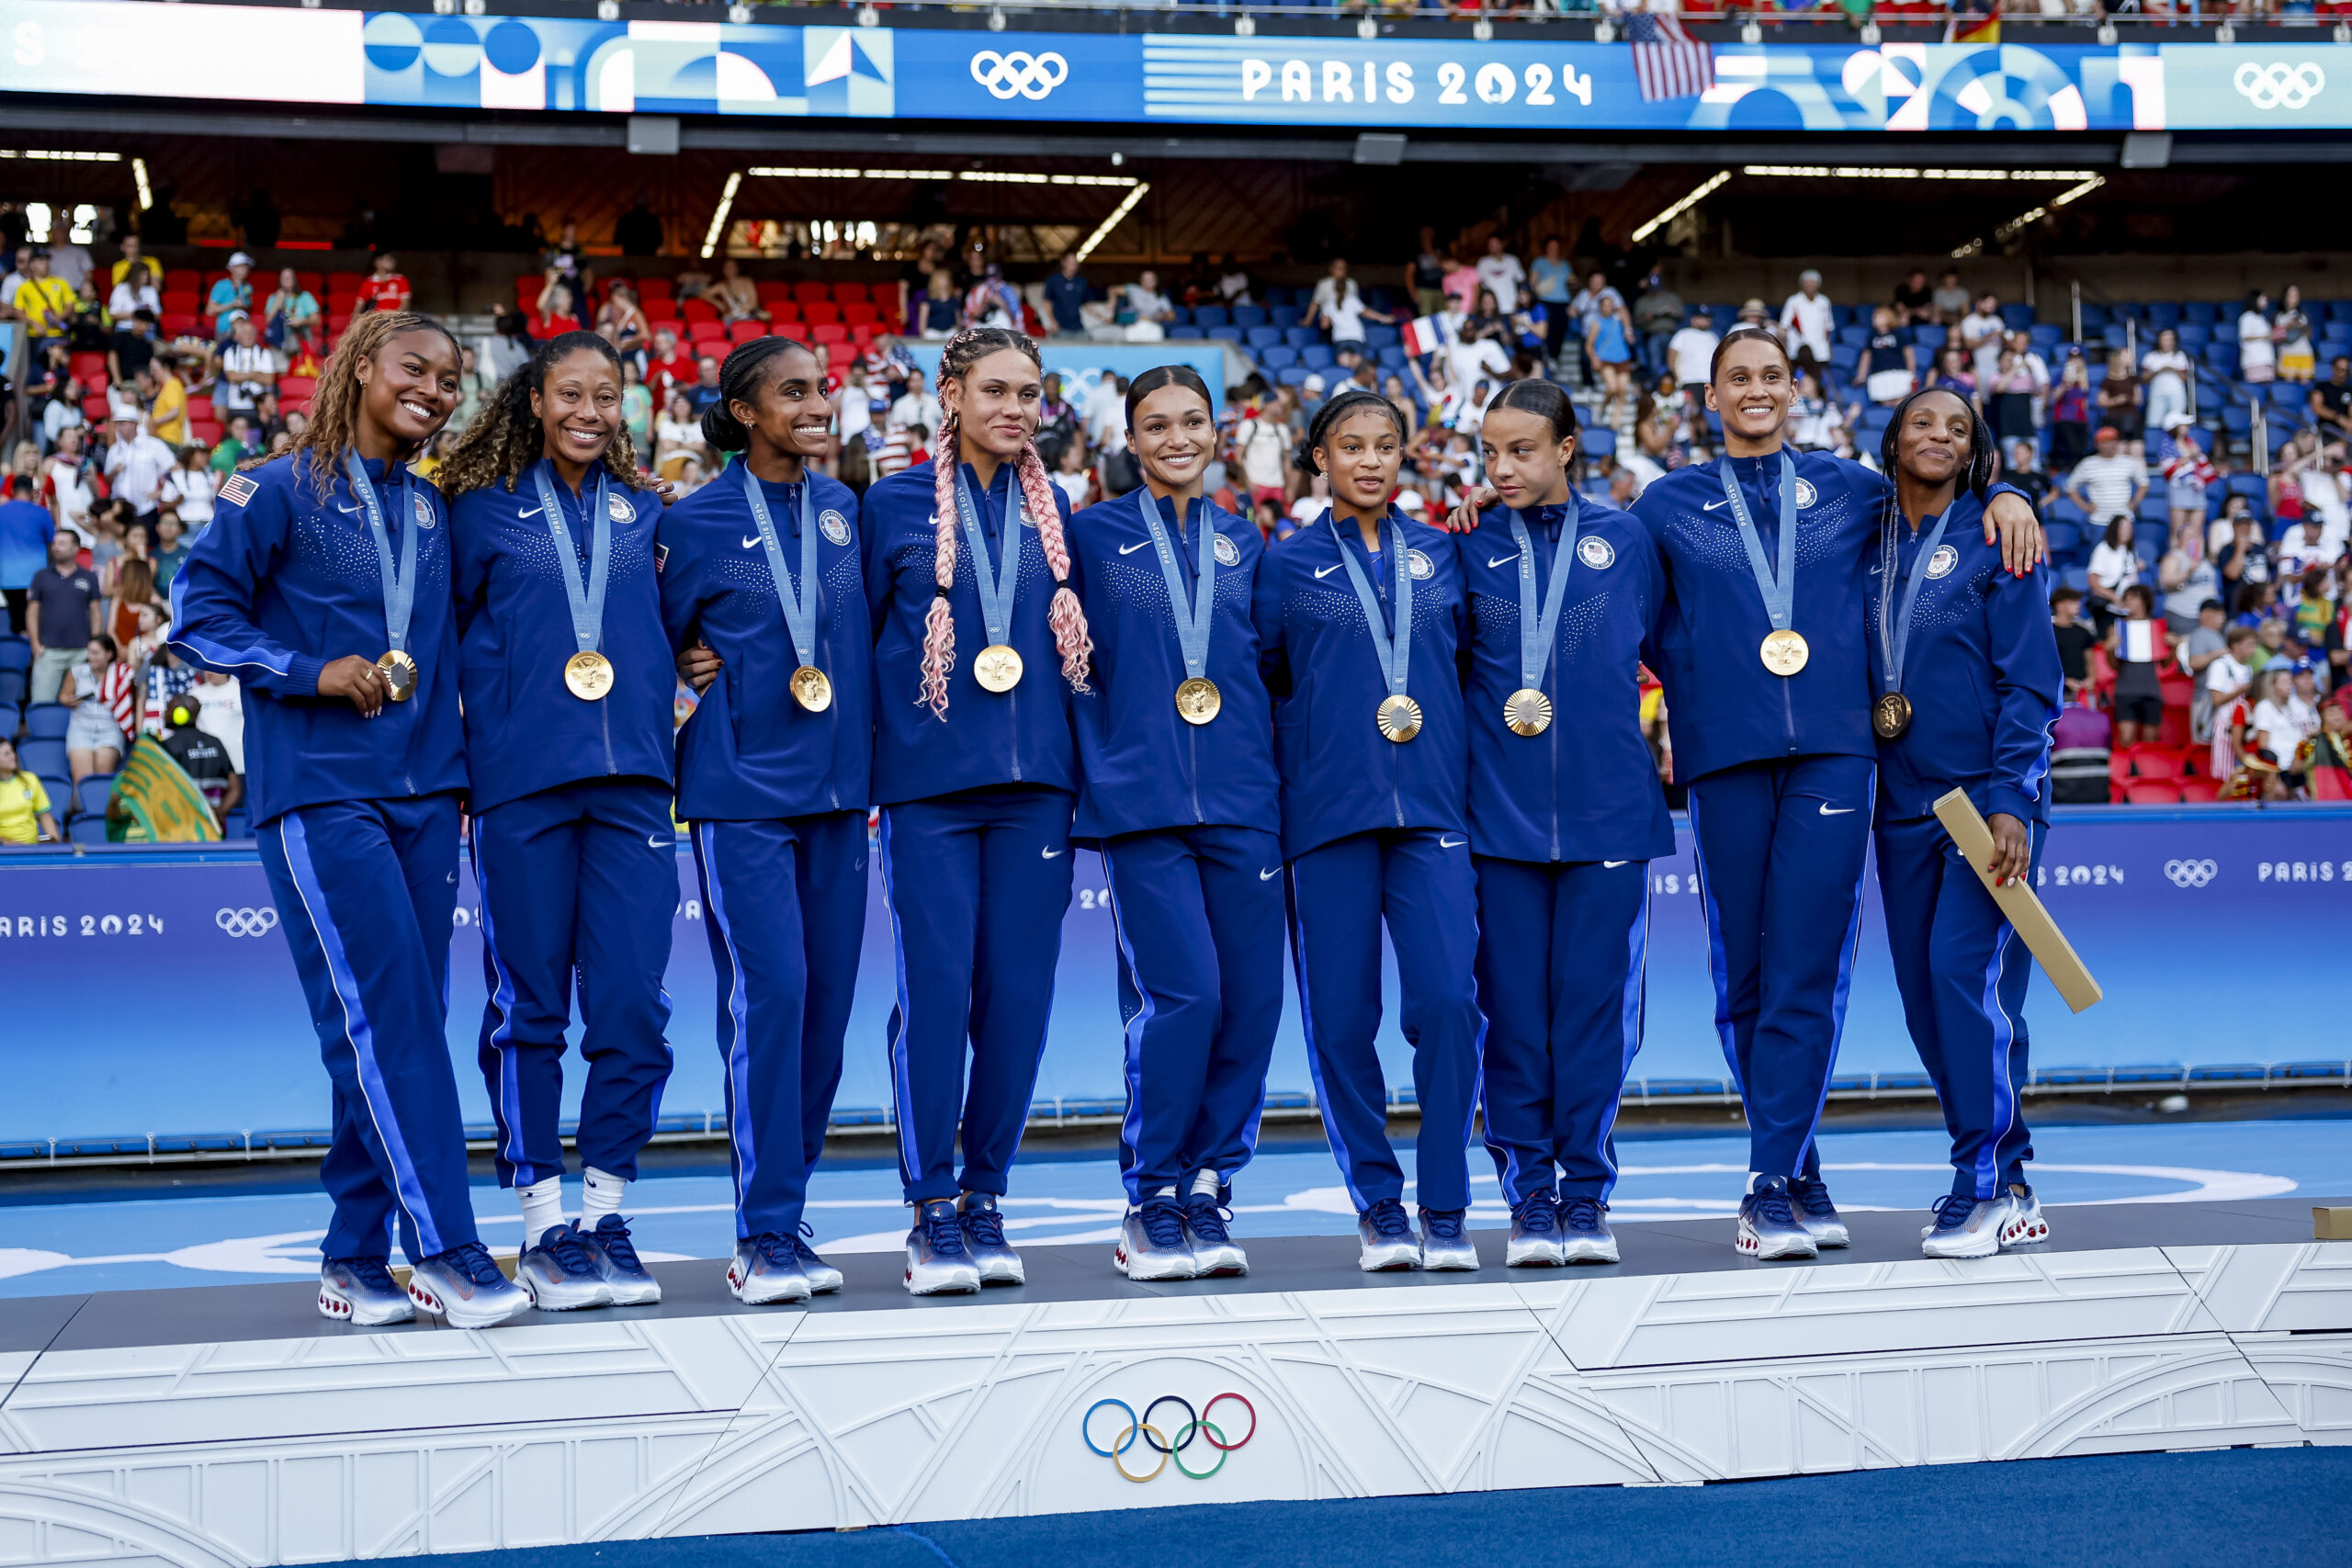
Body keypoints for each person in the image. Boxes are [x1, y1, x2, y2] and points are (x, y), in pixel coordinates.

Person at [1557, 326, 2038, 1260]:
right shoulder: (1664, 504)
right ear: (1708, 397)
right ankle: (1800, 1165)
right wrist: (1709, 676)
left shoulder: (1852, 490)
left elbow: (1942, 497)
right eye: (1736, 378)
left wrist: (2009, 488)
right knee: (1745, 974)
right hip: (1723, 756)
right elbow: (1628, 610)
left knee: (1809, 967)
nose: (1755, 390)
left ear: (1793, 389)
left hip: (1833, 754)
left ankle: (1767, 1184)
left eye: (1771, 376)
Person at [168, 310, 531, 1329]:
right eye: (415, 368)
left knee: (394, 1023)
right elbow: (196, 615)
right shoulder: (277, 486)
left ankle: (351, 1255)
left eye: (452, 378)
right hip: (323, 788)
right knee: (389, 1019)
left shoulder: (427, 508)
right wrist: (305, 671)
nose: (436, 388)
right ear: (361, 367)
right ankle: (449, 1252)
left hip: (425, 792)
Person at [439, 331, 676, 1314]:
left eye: (606, 394)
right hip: (522, 784)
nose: (588, 409)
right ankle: (540, 1225)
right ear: (533, 401)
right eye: (570, 393)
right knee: (528, 1009)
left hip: (632, 788)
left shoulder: (647, 512)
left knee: (631, 1008)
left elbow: (692, 622)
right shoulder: (476, 513)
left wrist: (694, 664)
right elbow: (436, 635)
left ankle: (607, 1212)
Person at [858, 325, 1093, 1295]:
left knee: (1019, 1004)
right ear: (947, 394)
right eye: (993, 389)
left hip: (1035, 788)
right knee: (937, 995)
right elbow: (852, 636)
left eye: (1028, 393)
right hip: (929, 791)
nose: (1012, 409)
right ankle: (930, 1207)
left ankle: (986, 1196)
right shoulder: (890, 505)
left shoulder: (1059, 510)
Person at [1056, 366, 1283, 1281]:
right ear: (1131, 438)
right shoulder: (1087, 537)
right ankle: (1150, 1193)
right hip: (1142, 802)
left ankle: (1209, 1188)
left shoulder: (1245, 542)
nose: (1177, 438)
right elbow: (1047, 654)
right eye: (1157, 425)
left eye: (1193, 421)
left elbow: (1273, 666)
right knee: (1182, 995)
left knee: (1253, 1004)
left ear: (1219, 431)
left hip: (1244, 801)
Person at [663, 336, 873, 1304]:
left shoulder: (845, 510)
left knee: (825, 1018)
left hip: (838, 795)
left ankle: (788, 1206)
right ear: (745, 413)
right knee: (772, 998)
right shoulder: (696, 520)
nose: (818, 403)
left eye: (823, 388)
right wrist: (689, 668)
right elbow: (643, 638)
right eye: (794, 392)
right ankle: (764, 1233)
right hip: (741, 792)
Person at [1254, 388, 1479, 1273]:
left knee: (1450, 1005)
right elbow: (1270, 674)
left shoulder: (1443, 553)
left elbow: (1466, 661)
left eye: (1387, 444)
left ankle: (1448, 1204)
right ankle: (1380, 1206)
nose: (1371, 460)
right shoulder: (1285, 562)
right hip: (1328, 814)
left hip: (1431, 810)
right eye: (1351, 446)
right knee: (1343, 1021)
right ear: (1319, 460)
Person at [1453, 380, 1669, 1268]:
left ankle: (1585, 1192)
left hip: (1610, 811)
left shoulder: (1628, 540)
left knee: (1592, 1011)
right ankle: (1527, 1194)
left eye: (1522, 451)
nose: (1502, 469)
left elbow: (1670, 647)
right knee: (1513, 1015)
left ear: (1568, 447)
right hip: (1496, 818)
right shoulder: (1463, 546)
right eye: (1489, 453)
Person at [1863, 388, 2062, 1258]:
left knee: (1962, 978)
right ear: (1893, 439)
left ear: (1976, 449)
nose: (1938, 436)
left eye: (1957, 428)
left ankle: (1982, 1181)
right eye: (1922, 423)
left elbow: (2033, 682)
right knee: (1926, 1000)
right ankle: (2008, 1177)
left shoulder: (1997, 532)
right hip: (1901, 803)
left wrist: (2014, 798)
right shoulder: (1860, 539)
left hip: (1987, 803)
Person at [26, 529, 99, 704]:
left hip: (81, 652)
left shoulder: (89, 577)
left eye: (62, 543)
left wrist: (94, 644)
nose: (56, 547)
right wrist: (35, 644)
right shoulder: (41, 576)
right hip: (49, 652)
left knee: (82, 704)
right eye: (55, 543)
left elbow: (95, 612)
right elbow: (32, 611)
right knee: (42, 703)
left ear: (76, 548)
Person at [64, 632, 130, 781]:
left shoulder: (121, 673)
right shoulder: (77, 671)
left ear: (109, 654)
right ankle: (80, 805)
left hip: (110, 729)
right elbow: (63, 697)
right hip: (80, 729)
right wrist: (70, 701)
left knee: (102, 778)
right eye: (89, 652)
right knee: (83, 780)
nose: (90, 657)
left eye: (96, 653)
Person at [2085, 514, 2144, 639]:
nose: (2127, 531)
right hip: (2108, 609)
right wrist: (2115, 597)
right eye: (2123, 528)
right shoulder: (2103, 549)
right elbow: (2093, 582)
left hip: (2127, 609)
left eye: (2129, 528)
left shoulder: (2132, 551)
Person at [0, 737, 60, 844]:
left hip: (31, 848)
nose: (13, 756)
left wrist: (54, 840)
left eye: (12, 751)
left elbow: (44, 814)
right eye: (6, 754)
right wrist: (9, 844)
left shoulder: (30, 779)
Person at [1777, 270, 1833, 377]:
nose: (1810, 287)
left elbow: (1828, 328)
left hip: (1820, 352)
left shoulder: (1824, 301)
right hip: (1797, 351)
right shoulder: (1793, 301)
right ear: (1802, 285)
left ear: (1818, 286)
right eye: (1807, 284)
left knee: (1819, 384)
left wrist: (1829, 352)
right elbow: (1784, 327)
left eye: (1812, 284)